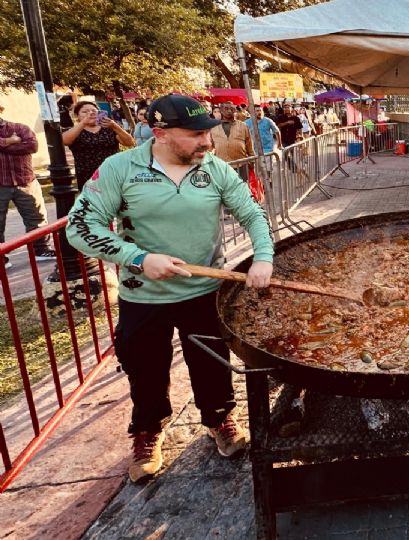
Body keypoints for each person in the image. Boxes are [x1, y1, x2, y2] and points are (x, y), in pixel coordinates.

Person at [66, 94, 275, 483]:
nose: (207, 143)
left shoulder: (213, 168)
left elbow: (251, 212)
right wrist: (138, 257)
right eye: (196, 135)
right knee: (146, 369)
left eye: (208, 133)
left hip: (204, 288)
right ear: (159, 133)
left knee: (212, 364)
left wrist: (262, 256)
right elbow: (80, 228)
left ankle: (219, 420)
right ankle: (148, 431)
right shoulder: (119, 168)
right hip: (143, 295)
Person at [0, 102, 56, 267]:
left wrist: (3, 145)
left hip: (25, 180)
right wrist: (10, 141)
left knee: (36, 217)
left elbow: (32, 145)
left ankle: (41, 249)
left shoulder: (20, 128)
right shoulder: (14, 135)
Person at [63, 101, 135, 190]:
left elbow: (129, 143)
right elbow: (65, 141)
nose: (91, 113)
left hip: (113, 172)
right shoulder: (75, 130)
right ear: (77, 116)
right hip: (88, 175)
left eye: (94, 110)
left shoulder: (109, 128)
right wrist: (83, 123)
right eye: (85, 112)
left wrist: (115, 126)